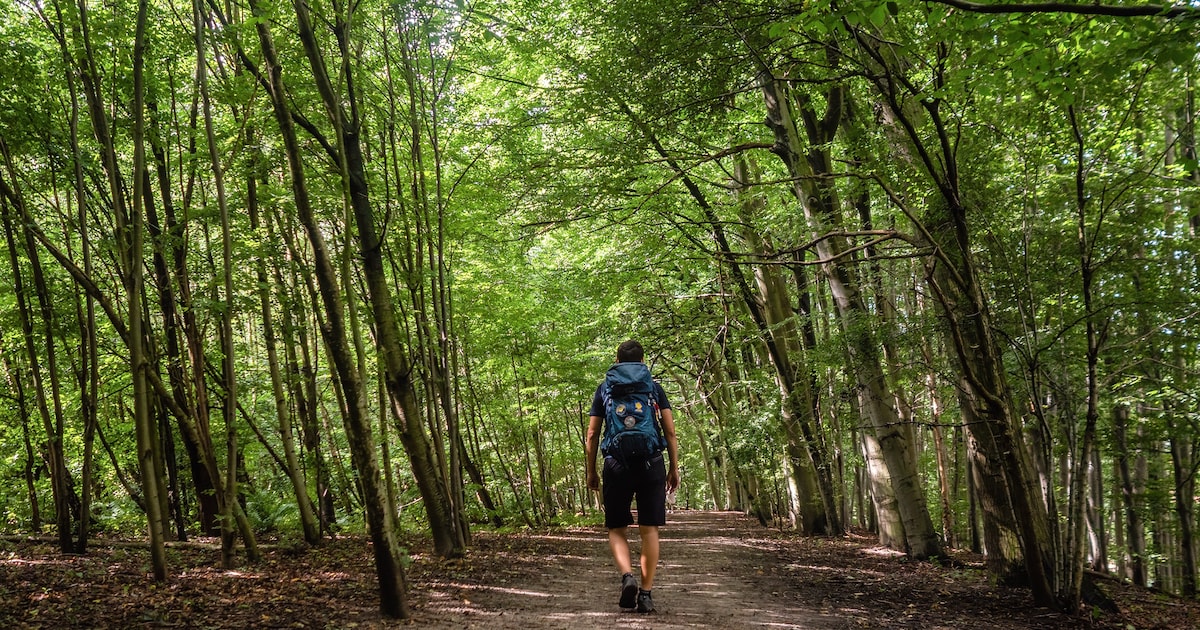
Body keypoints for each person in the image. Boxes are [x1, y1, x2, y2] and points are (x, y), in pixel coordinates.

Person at [585, 340, 680, 614]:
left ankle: (627, 576)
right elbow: (670, 431)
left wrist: (591, 470)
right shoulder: (654, 388)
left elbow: (592, 434)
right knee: (649, 529)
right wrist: (674, 467)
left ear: (617, 361)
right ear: (642, 361)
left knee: (617, 528)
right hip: (651, 463)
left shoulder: (605, 388)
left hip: (616, 464)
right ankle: (646, 595)